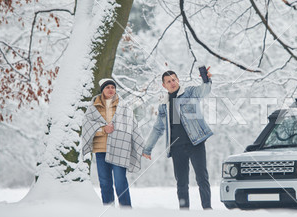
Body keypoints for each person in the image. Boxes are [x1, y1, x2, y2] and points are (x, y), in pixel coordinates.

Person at [142, 69, 213, 209]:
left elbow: (204, 90)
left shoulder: (190, 93)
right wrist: (148, 148)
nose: (172, 83)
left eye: (174, 79)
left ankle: (207, 209)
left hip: (195, 143)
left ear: (178, 80)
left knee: (202, 178)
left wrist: (206, 80)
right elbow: (158, 128)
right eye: (168, 81)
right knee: (181, 183)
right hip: (176, 147)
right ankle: (184, 211)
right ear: (164, 85)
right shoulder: (164, 105)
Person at [82, 78, 143, 207]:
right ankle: (108, 212)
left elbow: (132, 126)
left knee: (120, 181)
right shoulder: (93, 107)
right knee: (105, 183)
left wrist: (140, 145)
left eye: (113, 87)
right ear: (102, 90)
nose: (111, 90)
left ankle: (126, 210)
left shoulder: (123, 106)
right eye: (107, 87)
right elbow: (87, 126)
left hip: (119, 148)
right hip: (101, 149)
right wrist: (103, 129)